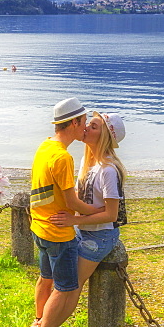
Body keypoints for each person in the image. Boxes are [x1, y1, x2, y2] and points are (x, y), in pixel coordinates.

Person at [16, 97, 99, 327]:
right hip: (58, 233)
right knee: (65, 289)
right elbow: (71, 199)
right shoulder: (63, 157)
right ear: (73, 122)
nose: (85, 127)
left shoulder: (45, 147)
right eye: (84, 122)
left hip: (40, 226)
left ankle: (39, 322)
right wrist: (98, 212)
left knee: (45, 278)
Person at [51, 111, 127, 295]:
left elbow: (111, 215)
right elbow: (81, 194)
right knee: (62, 282)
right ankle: (44, 322)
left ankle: (46, 324)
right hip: (83, 230)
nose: (86, 127)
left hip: (100, 236)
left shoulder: (108, 170)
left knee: (70, 286)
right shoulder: (87, 160)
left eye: (93, 127)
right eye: (89, 124)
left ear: (104, 137)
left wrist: (74, 220)